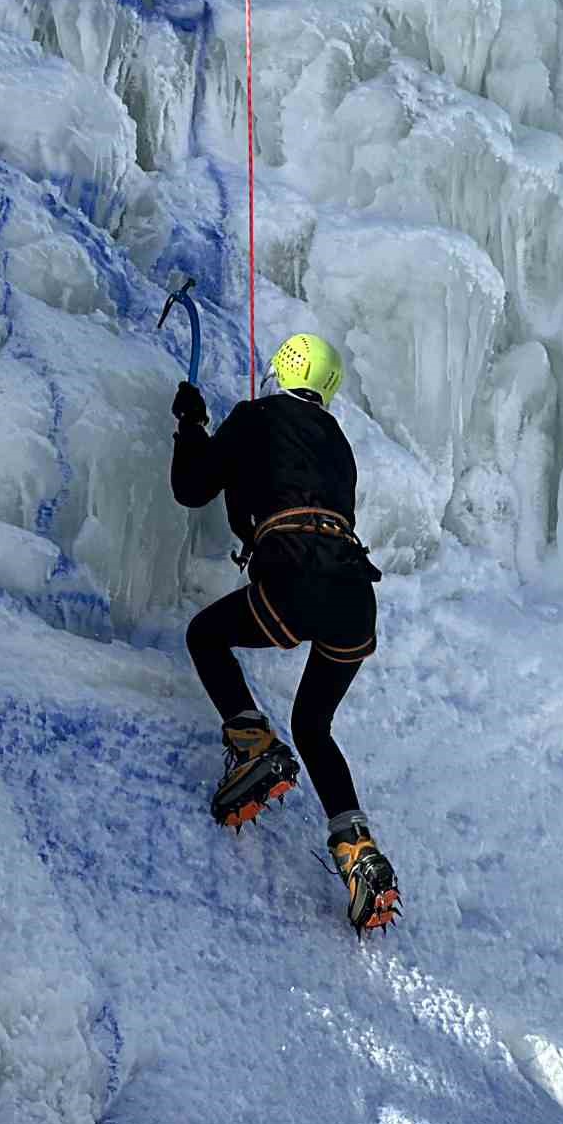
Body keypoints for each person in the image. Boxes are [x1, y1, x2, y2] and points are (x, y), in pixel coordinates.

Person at [170, 331, 400, 936]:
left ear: (280, 370)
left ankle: (252, 744)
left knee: (205, 636)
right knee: (314, 727)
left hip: (297, 576)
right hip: (354, 597)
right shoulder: (337, 441)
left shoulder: (255, 415)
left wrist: (191, 424)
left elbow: (192, 487)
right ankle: (358, 849)